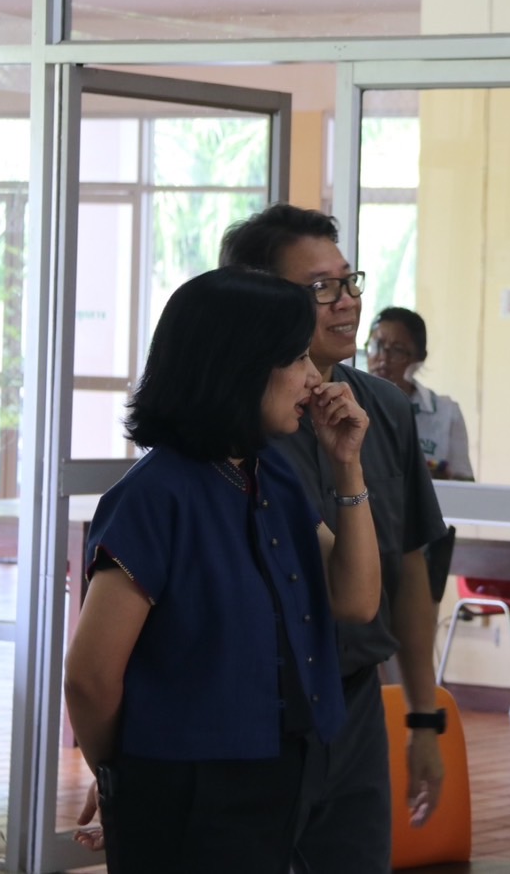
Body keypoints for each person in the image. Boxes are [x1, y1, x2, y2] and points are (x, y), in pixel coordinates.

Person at [63, 267, 380, 873]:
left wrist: (348, 467)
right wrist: (116, 776)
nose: (314, 378)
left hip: (282, 767)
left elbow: (356, 600)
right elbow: (89, 677)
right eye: (297, 358)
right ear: (239, 366)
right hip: (187, 787)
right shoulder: (156, 494)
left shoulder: (270, 471)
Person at [219, 204, 449, 874]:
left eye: (348, 281)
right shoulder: (230, 426)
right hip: (252, 705)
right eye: (321, 287)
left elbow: (410, 571)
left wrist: (423, 718)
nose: (346, 302)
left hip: (354, 702)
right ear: (263, 301)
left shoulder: (385, 409)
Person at [366, 306, 474, 481]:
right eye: (376, 346)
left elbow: (465, 483)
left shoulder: (446, 413)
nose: (383, 359)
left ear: (419, 359)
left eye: (397, 350)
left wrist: (438, 480)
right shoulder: (350, 403)